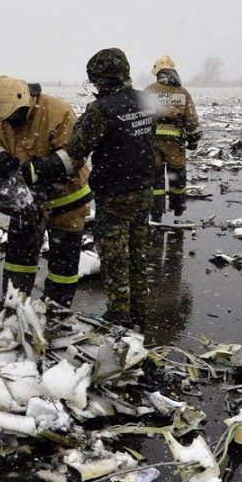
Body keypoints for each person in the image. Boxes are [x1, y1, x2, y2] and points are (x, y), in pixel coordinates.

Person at [65, 48, 155, 329]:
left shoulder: (102, 109)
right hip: (143, 188)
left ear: (100, 80)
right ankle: (139, 311)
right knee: (137, 253)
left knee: (115, 256)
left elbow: (77, 147)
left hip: (115, 193)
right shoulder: (145, 99)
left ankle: (119, 316)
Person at [0, 76, 91, 308]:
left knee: (63, 263)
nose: (11, 122)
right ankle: (14, 305)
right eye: (6, 119)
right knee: (18, 258)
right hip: (26, 202)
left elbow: (75, 154)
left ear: (25, 102)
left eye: (14, 117)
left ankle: (56, 309)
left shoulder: (57, 112)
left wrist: (37, 170)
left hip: (66, 199)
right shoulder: (3, 117)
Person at [143, 55, 201, 222]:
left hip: (153, 141)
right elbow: (192, 119)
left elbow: (140, 115)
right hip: (175, 143)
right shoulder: (182, 92)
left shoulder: (148, 91)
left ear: (157, 72)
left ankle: (156, 213)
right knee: (177, 175)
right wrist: (193, 138)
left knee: (156, 178)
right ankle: (178, 209)